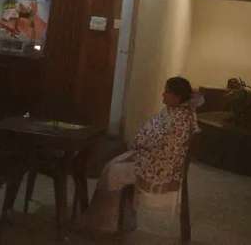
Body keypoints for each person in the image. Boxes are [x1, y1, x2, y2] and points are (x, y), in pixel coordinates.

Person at [77, 76, 202, 234]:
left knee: (113, 172)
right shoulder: (176, 111)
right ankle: (117, 220)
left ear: (177, 97)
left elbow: (164, 147)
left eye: (167, 92)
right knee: (112, 164)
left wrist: (139, 146)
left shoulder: (179, 119)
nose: (163, 94)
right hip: (149, 157)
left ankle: (105, 224)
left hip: (157, 166)